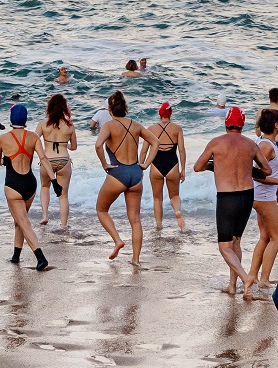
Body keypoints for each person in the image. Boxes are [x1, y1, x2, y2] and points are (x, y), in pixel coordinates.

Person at [193, 106, 267, 297]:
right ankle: (233, 287)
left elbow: (198, 167)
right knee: (236, 242)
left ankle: (245, 278)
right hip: (247, 196)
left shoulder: (216, 143)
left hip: (227, 198)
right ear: (242, 125)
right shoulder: (251, 144)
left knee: (224, 247)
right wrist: (246, 168)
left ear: (226, 123)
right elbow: (267, 171)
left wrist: (216, 166)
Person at [93, 91, 154, 263]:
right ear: (125, 108)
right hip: (136, 174)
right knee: (135, 220)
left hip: (117, 174)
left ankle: (117, 240)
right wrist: (146, 164)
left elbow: (98, 145)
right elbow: (155, 142)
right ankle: (135, 260)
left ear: (110, 110)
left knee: (101, 210)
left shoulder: (109, 126)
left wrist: (105, 164)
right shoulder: (136, 125)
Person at [0, 103, 50, 270]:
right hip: (30, 185)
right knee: (19, 221)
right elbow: (43, 159)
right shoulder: (33, 137)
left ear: (11, 119)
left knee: (23, 222)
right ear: (25, 119)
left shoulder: (2, 138)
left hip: (13, 186)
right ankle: (16, 256)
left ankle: (40, 257)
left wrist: (6, 161)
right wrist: (53, 180)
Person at [248, 108, 278, 296]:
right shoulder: (266, 145)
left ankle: (253, 276)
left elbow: (262, 174)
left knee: (265, 237)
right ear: (276, 125)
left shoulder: (265, 142)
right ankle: (264, 280)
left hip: (263, 195)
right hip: (262, 197)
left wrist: (276, 188)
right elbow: (255, 174)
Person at [40, 94, 77, 228]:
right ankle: (63, 224)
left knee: (45, 187)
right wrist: (63, 145)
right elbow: (74, 147)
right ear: (64, 108)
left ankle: (45, 216)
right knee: (63, 195)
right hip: (64, 160)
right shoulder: (70, 125)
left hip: (47, 160)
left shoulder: (43, 124)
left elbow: (34, 140)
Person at [147, 101, 186, 232]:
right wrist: (183, 169)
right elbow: (181, 150)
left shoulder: (151, 129)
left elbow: (144, 151)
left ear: (159, 114)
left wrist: (141, 166)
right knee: (174, 195)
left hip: (155, 165)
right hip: (172, 164)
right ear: (171, 114)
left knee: (157, 198)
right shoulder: (177, 128)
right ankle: (177, 212)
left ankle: (158, 226)